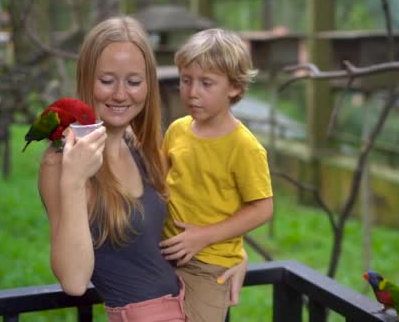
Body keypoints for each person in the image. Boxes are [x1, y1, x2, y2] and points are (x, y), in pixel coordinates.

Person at [37, 17, 245, 322]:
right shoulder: (61, 162)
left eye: (134, 82)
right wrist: (73, 180)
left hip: (190, 305)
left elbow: (185, 218)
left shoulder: (140, 146)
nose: (120, 94)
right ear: (86, 80)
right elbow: (74, 281)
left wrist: (234, 254)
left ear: (149, 84)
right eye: (107, 81)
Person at [160, 28, 274, 322]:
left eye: (206, 83)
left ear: (234, 88)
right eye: (186, 80)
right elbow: (159, 184)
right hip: (163, 253)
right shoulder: (176, 130)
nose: (192, 92)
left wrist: (204, 236)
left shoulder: (245, 147)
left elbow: (263, 208)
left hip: (211, 265)